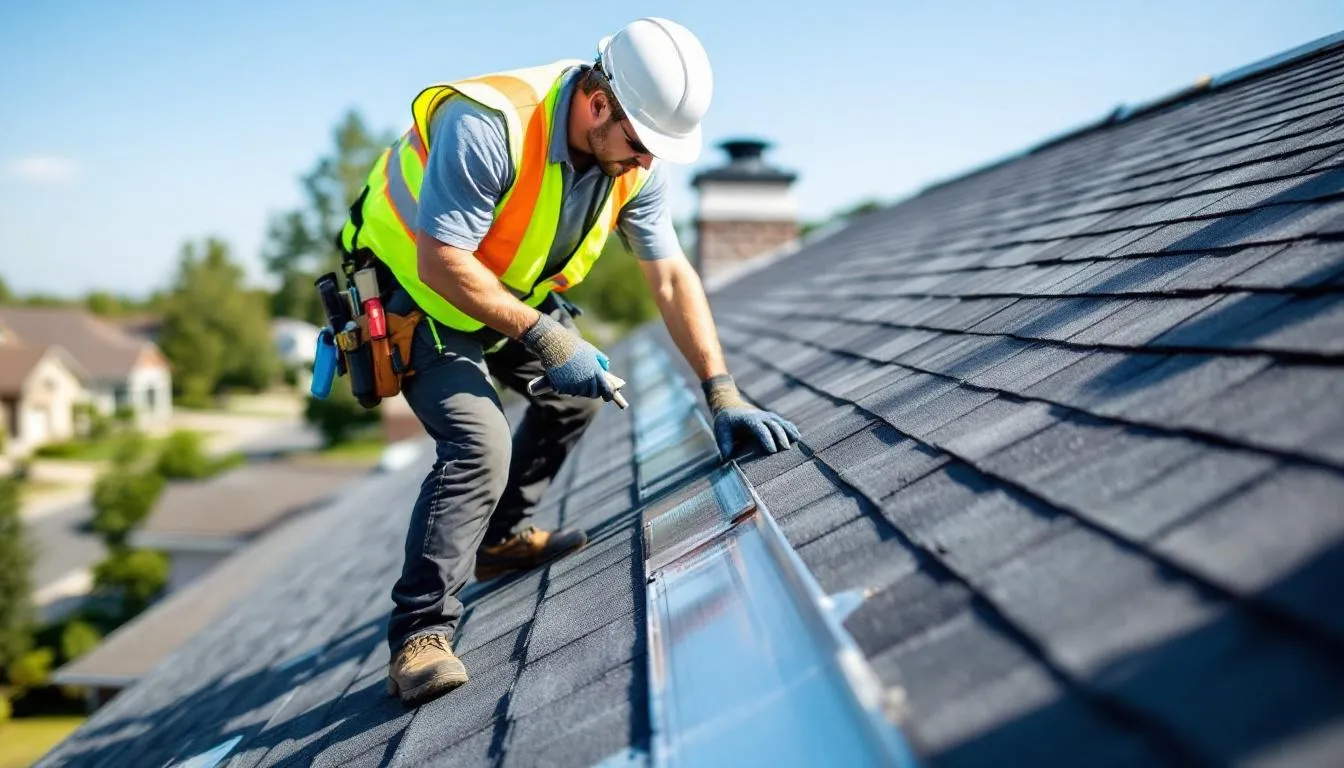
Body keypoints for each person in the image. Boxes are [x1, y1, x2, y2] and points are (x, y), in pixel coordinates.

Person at [338, 17, 801, 707]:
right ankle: (419, 635)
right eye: (639, 145)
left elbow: (671, 278)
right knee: (478, 444)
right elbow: (442, 260)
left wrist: (722, 391)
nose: (645, 163)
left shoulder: (633, 164)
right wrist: (550, 341)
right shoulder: (488, 126)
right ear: (596, 104)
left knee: (579, 393)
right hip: (420, 292)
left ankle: (495, 540)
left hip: (502, 288)